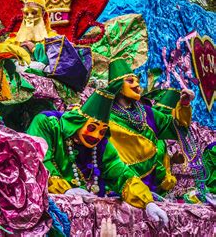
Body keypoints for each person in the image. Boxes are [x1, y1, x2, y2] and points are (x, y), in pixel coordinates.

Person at [27, 89, 169, 224]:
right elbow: (36, 161)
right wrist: (64, 189)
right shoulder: (48, 123)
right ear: (80, 121)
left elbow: (122, 174)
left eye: (101, 131)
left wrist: (148, 203)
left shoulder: (100, 145)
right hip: (40, 207)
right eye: (92, 128)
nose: (96, 136)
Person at [106, 57, 195, 192]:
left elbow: (177, 128)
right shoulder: (105, 113)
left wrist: (184, 105)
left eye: (137, 81)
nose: (137, 85)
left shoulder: (147, 113)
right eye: (130, 81)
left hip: (149, 186)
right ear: (117, 85)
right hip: (118, 185)